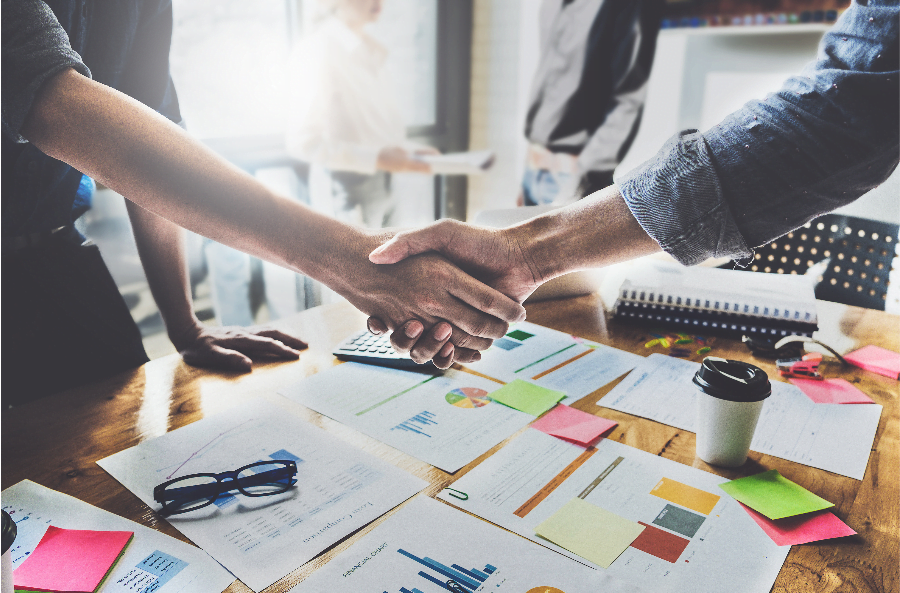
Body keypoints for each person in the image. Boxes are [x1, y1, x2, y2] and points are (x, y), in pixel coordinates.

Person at [2, 0, 525, 403]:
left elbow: (145, 153)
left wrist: (187, 328)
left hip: (57, 255)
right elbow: (54, 104)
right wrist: (352, 262)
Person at [368, 0, 899, 362]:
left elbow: (849, 110)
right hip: (543, 154)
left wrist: (537, 238)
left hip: (580, 163)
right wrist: (526, 246)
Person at [286, 0, 435, 228]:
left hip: (388, 184)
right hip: (346, 190)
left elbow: (372, 129)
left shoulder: (370, 50)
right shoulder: (316, 50)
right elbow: (303, 142)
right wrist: (377, 158)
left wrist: (410, 151)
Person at [520, 0, 663, 206]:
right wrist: (528, 173)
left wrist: (584, 180)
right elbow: (549, 78)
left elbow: (628, 100)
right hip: (535, 170)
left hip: (575, 177)